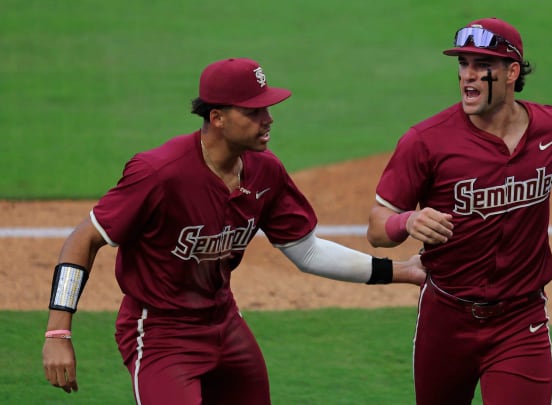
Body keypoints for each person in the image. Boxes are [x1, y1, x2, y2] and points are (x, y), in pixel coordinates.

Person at [41, 57, 426, 405]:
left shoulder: (265, 171)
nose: (269, 119)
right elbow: (84, 239)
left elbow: (307, 252)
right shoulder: (159, 173)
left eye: (268, 108)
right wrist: (58, 333)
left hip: (224, 321)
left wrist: (399, 271)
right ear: (218, 118)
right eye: (254, 111)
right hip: (160, 334)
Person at [367, 17, 552, 405]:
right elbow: (376, 227)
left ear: (511, 72)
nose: (468, 77)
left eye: (482, 66)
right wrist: (408, 220)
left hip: (520, 320)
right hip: (446, 318)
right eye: (462, 65)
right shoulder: (426, 142)